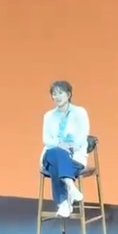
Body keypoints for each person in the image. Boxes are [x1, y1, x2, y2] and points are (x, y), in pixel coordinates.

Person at [41, 80, 89, 218]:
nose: (57, 97)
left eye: (60, 93)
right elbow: (46, 140)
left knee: (56, 165)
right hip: (51, 154)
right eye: (54, 94)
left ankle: (63, 203)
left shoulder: (80, 112)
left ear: (68, 94)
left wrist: (69, 146)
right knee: (56, 152)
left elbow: (83, 136)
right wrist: (59, 144)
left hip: (75, 156)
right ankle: (71, 187)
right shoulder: (48, 116)